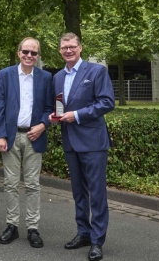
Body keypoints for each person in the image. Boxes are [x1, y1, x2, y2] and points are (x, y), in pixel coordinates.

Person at [49, 32, 115, 261]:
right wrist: (54, 116)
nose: (68, 50)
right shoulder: (57, 76)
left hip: (93, 142)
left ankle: (97, 241)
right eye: (64, 47)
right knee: (78, 193)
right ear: (60, 50)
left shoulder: (96, 71)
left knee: (96, 193)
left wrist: (76, 115)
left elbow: (106, 102)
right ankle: (83, 233)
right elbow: (58, 104)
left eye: (72, 46)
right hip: (70, 141)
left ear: (80, 48)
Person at [0, 37, 53, 248]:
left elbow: (49, 108)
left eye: (33, 53)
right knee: (10, 184)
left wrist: (43, 125)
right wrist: (0, 134)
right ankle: (12, 225)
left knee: (33, 185)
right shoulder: (4, 75)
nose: (29, 56)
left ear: (38, 56)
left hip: (34, 136)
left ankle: (33, 228)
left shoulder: (46, 77)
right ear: (19, 53)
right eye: (25, 51)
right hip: (9, 136)